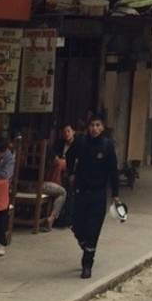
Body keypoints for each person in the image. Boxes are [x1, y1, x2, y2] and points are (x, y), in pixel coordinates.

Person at [65, 113, 122, 279]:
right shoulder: (81, 142)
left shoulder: (107, 146)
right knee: (77, 225)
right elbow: (69, 156)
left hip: (98, 193)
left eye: (98, 125)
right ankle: (85, 245)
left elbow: (113, 170)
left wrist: (115, 194)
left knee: (93, 229)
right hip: (81, 191)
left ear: (102, 127)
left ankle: (87, 264)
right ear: (87, 127)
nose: (94, 129)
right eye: (92, 125)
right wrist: (71, 173)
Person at [47, 123, 76, 227]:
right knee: (58, 164)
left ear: (73, 132)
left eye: (68, 131)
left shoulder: (77, 144)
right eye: (64, 132)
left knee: (60, 164)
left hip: (72, 166)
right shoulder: (59, 143)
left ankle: (54, 184)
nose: (66, 134)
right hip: (61, 168)